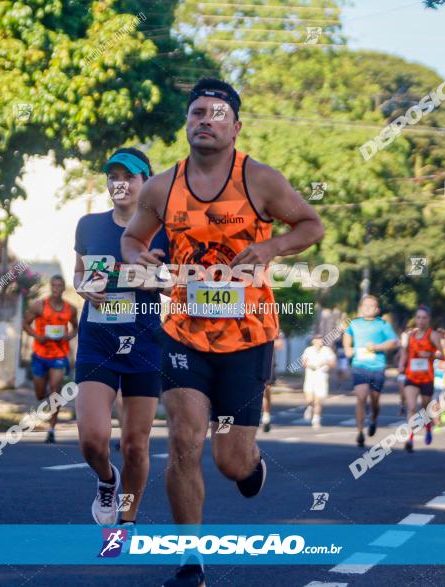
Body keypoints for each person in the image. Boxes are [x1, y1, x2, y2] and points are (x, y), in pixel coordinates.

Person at [120, 78, 324, 587]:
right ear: (186, 124)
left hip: (248, 336)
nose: (204, 120)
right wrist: (138, 257)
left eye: (216, 113)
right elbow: (131, 238)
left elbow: (310, 226)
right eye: (196, 113)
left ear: (235, 126)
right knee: (185, 441)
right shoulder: (162, 186)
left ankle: (250, 462)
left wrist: (272, 248)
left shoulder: (260, 180)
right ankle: (191, 562)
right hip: (184, 331)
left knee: (229, 461)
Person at [73, 147, 169, 527]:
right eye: (114, 176)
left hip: (144, 341)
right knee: (93, 439)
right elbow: (79, 272)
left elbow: (176, 284)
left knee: (134, 444)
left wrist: (154, 280)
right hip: (98, 339)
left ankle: (128, 519)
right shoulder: (89, 225)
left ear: (146, 182)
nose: (120, 183)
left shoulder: (165, 229)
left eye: (129, 176)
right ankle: (106, 481)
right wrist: (82, 287)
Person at [22, 275, 78, 443]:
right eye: (53, 285)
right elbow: (25, 324)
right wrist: (37, 336)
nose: (56, 288)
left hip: (59, 354)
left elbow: (75, 328)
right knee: (40, 395)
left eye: (60, 286)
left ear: (63, 289)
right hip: (40, 354)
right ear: (50, 287)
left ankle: (51, 429)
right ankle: (46, 395)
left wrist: (68, 336)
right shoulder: (39, 305)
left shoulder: (71, 309)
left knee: (55, 389)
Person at [343, 295, 399, 448]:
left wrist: (377, 347)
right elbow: (347, 336)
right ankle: (360, 432)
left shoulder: (382, 324)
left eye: (372, 306)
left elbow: (394, 342)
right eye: (365, 305)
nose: (368, 308)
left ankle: (373, 418)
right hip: (359, 365)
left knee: (375, 399)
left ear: (377, 310)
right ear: (360, 308)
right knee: (361, 396)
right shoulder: (354, 323)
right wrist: (348, 348)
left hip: (377, 367)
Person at [396, 305, 443, 452]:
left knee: (425, 407)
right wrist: (401, 365)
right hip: (411, 376)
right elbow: (405, 353)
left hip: (426, 377)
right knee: (411, 407)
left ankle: (428, 427)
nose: (421, 320)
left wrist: (430, 355)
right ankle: (410, 439)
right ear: (415, 319)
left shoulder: (433, 335)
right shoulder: (410, 336)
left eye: (424, 318)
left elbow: (443, 355)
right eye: (418, 317)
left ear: (428, 320)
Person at [301, 335, 336, 429]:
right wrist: (309, 365)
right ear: (313, 341)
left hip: (321, 376)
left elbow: (333, 363)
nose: (319, 341)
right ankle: (309, 407)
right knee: (309, 399)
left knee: (318, 400)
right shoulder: (308, 350)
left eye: (321, 340)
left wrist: (325, 363)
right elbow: (303, 362)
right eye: (317, 340)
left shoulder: (327, 350)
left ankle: (316, 419)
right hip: (310, 376)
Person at [261, 332, 285, 433]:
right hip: (248, 359)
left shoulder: (270, 321)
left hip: (267, 360)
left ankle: (266, 415)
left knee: (266, 388)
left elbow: (280, 345)